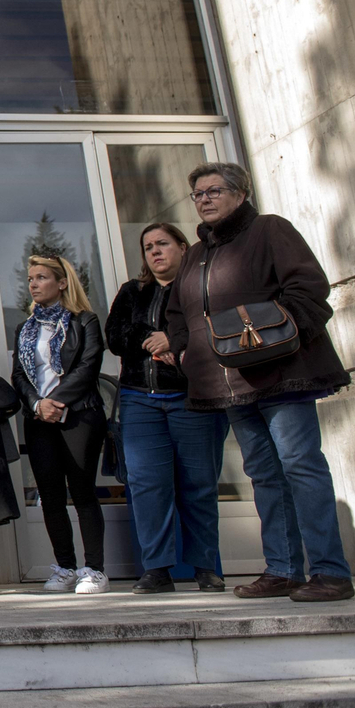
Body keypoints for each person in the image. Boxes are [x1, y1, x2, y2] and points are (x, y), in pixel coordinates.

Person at [166, 162, 354, 602]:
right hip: (226, 382)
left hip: (284, 375)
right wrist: (183, 350)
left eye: (214, 190)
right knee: (265, 476)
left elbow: (309, 289)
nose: (205, 199)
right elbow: (178, 312)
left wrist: (280, 340)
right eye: (197, 194)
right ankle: (284, 570)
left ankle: (330, 573)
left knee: (300, 466)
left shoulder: (270, 230)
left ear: (240, 193)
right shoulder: (195, 254)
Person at [105, 223, 228, 595]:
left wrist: (175, 339)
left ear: (182, 247)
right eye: (148, 247)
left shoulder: (201, 288)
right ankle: (156, 569)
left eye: (162, 244)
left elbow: (216, 329)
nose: (155, 251)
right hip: (140, 399)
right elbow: (115, 337)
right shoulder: (133, 291)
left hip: (193, 398)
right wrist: (149, 338)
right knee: (147, 486)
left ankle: (206, 567)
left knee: (199, 484)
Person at [11, 254, 109, 595]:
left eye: (41, 278)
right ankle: (65, 567)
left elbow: (88, 367)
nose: (33, 284)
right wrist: (38, 404)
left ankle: (94, 569)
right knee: (51, 496)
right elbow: (20, 375)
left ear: (62, 282)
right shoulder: (25, 329)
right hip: (39, 419)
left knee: (82, 492)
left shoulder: (85, 321)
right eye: (30, 279)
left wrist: (58, 400)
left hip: (79, 415)